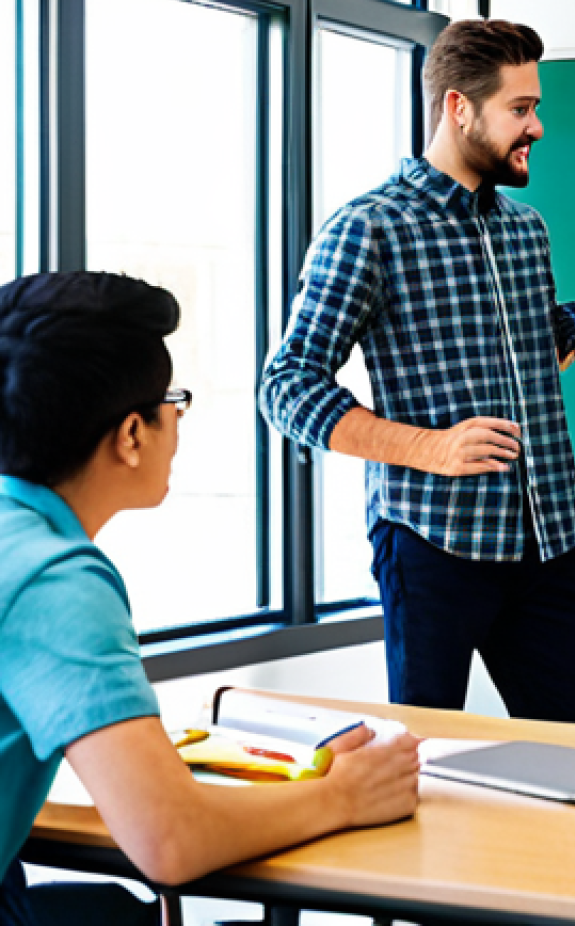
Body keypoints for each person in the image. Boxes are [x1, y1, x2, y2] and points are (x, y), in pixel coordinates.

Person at [260, 19, 575, 724]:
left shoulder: (523, 228)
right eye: (520, 108)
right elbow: (287, 384)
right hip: (434, 543)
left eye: (535, 107)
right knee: (426, 758)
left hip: (552, 538)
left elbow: (531, 355)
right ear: (458, 107)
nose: (536, 126)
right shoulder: (370, 228)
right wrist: (429, 448)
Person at [0, 271, 421, 926]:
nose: (177, 418)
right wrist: (348, 794)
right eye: (172, 400)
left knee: (115, 911)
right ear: (132, 435)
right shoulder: (53, 578)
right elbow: (171, 840)